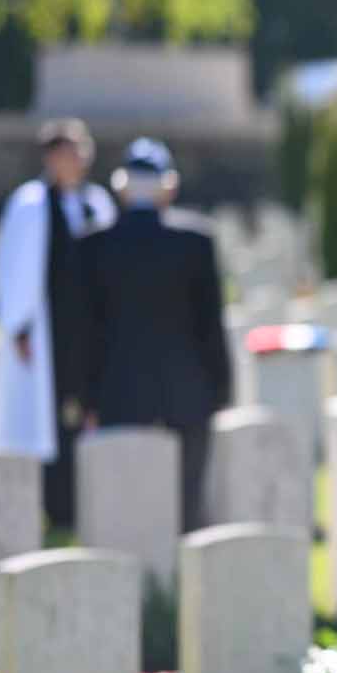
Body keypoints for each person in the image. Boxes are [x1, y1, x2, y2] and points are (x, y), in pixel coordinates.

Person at [78, 139, 231, 531]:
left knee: (129, 510)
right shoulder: (197, 242)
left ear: (122, 187)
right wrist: (221, 391)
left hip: (119, 395)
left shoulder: (94, 245)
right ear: (169, 186)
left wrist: (86, 398)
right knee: (186, 508)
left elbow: (87, 332)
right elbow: (211, 328)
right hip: (188, 395)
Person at [0, 119, 118, 529]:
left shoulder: (97, 204)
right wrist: (21, 327)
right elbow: (16, 270)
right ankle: (55, 504)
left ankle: (90, 500)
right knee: (49, 417)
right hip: (49, 333)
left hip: (92, 333)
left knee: (89, 412)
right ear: (50, 158)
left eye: (80, 152)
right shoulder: (30, 205)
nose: (75, 161)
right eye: (66, 153)